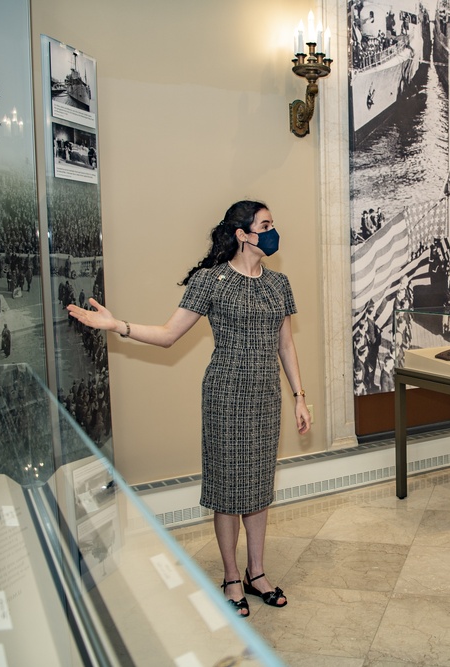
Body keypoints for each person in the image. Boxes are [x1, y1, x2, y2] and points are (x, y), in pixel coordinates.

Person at [66, 200, 311, 617]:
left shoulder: (279, 284)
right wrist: (117, 326)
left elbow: (285, 344)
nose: (273, 231)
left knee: (257, 488)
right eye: (265, 224)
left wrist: (299, 397)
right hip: (224, 397)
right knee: (226, 488)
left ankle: (257, 572)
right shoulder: (210, 281)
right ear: (242, 234)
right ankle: (232, 577)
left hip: (266, 398)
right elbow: (167, 335)